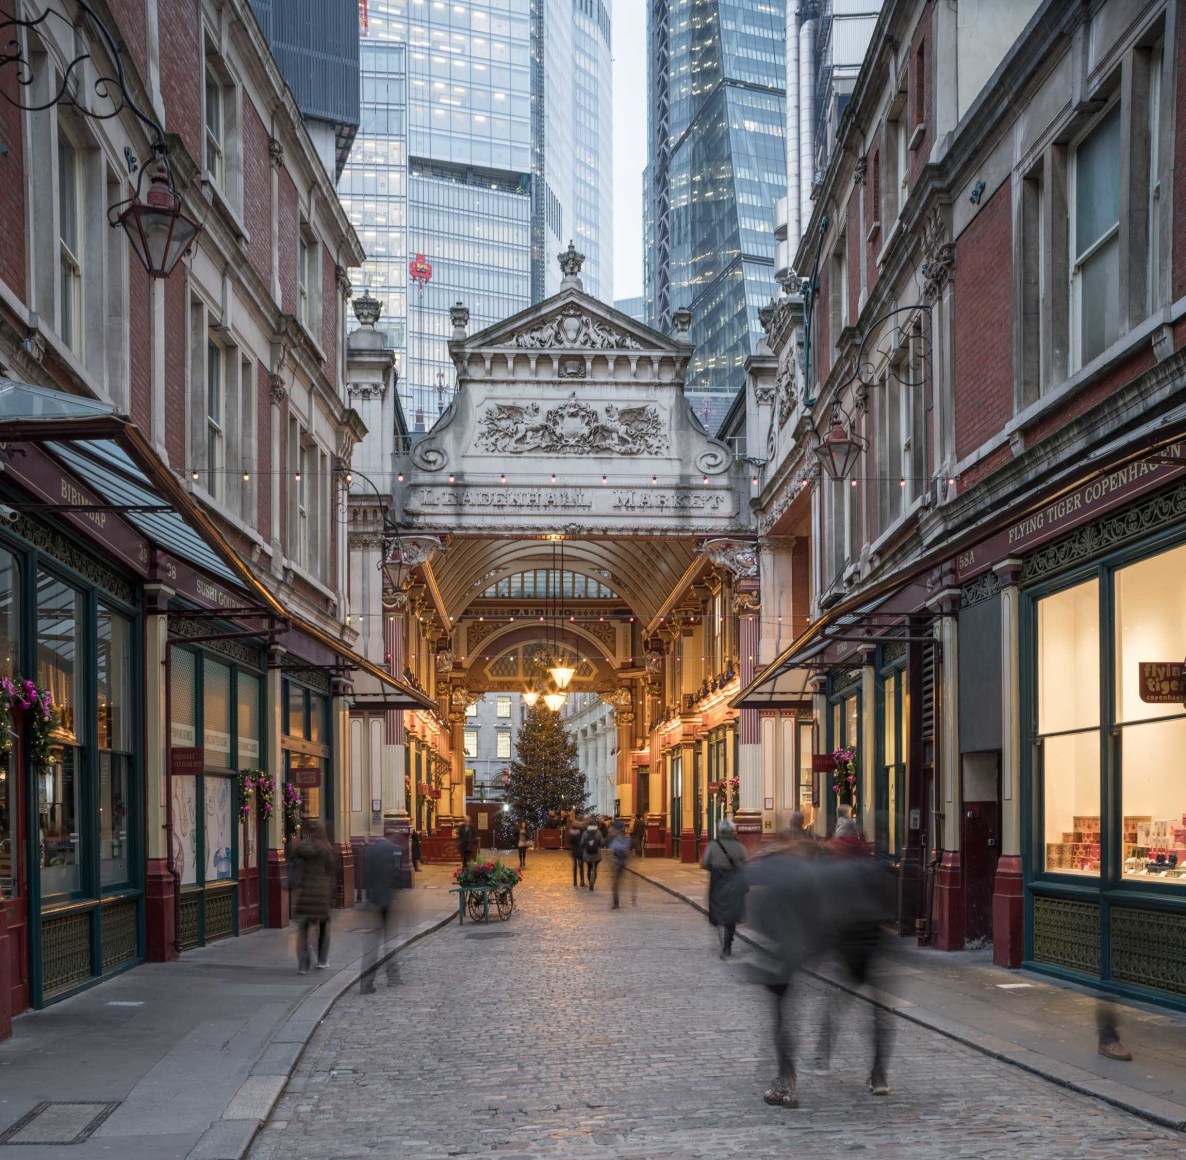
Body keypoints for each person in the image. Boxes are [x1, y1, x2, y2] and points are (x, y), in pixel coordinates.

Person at [289, 820, 338, 975]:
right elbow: (332, 871)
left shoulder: (303, 847)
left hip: (306, 894)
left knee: (303, 928)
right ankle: (322, 960)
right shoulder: (327, 849)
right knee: (323, 927)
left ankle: (303, 963)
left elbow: (292, 857)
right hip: (322, 895)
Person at [702, 817, 748, 958]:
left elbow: (704, 863)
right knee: (731, 915)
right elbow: (745, 862)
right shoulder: (740, 847)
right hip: (734, 883)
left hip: (718, 883)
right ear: (732, 831)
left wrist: (715, 869)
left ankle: (722, 940)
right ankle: (728, 945)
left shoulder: (713, 845)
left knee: (718, 911)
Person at [359, 836, 401, 994]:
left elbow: (367, 876)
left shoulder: (370, 851)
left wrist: (368, 897)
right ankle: (393, 977)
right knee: (389, 941)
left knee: (371, 944)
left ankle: (366, 983)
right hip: (388, 899)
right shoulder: (395, 849)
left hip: (373, 900)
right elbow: (397, 874)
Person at [607, 819, 633, 909]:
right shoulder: (626, 839)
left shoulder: (618, 840)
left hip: (618, 863)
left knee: (615, 883)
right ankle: (615, 902)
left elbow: (614, 849)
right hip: (620, 862)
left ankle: (616, 903)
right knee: (616, 883)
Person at [581, 820, 604, 890]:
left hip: (587, 854)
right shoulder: (598, 832)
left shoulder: (585, 833)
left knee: (589, 868)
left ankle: (589, 881)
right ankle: (592, 882)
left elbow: (582, 843)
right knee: (595, 869)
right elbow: (602, 843)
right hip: (596, 854)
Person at [568, 815, 586, 887]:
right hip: (581, 849)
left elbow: (570, 840)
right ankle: (582, 881)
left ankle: (575, 881)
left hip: (574, 850)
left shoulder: (573, 828)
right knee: (581, 866)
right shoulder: (583, 829)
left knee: (575, 866)